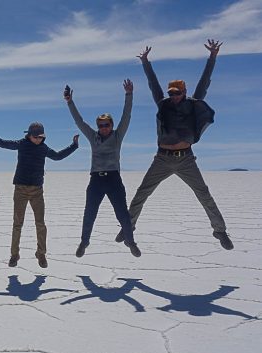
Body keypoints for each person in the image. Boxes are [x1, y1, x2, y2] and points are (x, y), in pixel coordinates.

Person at [116, 39, 233, 250]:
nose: (173, 96)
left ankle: (220, 231)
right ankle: (127, 227)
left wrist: (212, 57)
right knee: (142, 193)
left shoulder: (193, 104)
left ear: (184, 91)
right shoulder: (163, 104)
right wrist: (145, 62)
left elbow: (204, 82)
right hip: (162, 158)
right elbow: (153, 84)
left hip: (186, 159)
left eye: (176, 93)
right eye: (171, 93)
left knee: (204, 194)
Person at [0, 121, 79, 268]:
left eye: (40, 137)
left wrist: (73, 146)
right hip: (20, 190)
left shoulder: (44, 148)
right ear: (29, 135)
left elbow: (57, 156)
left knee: (40, 224)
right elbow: (2, 143)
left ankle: (41, 254)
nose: (38, 139)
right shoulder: (22, 144)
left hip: (37, 191)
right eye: (35, 137)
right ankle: (14, 255)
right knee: (17, 224)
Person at [64, 79, 141, 258]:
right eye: (101, 125)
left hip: (114, 179)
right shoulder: (93, 137)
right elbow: (79, 121)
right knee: (89, 213)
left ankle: (130, 241)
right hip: (96, 180)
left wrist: (129, 95)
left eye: (107, 125)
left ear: (112, 126)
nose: (103, 128)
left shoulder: (117, 136)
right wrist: (70, 102)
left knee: (123, 214)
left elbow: (126, 116)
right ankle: (84, 242)